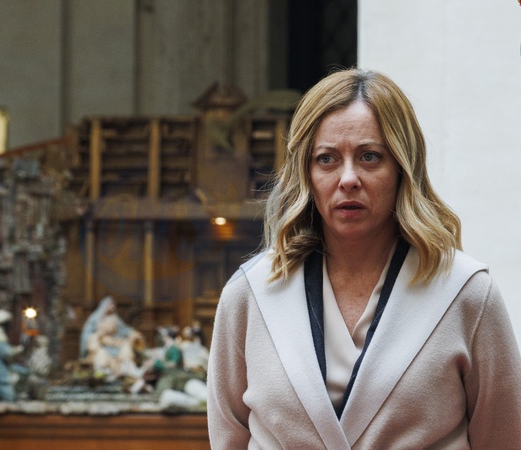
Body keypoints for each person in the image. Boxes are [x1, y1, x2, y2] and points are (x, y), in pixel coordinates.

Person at [207, 68, 521, 449]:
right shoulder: (251, 295)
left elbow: (504, 439)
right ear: (306, 172)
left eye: (370, 157)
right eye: (326, 159)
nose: (348, 179)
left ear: (402, 168)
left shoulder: (466, 294)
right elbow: (228, 438)